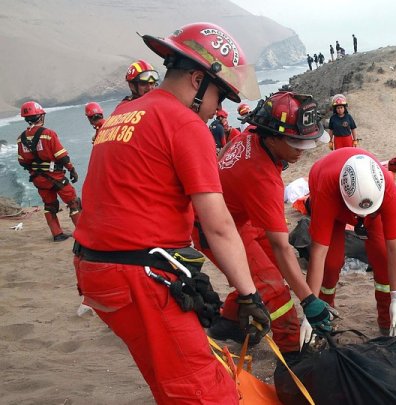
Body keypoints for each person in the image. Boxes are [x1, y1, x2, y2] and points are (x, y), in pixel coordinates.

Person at [73, 22, 270, 404]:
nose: (218, 110)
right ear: (198, 80)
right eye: (219, 96)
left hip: (95, 270)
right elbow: (219, 225)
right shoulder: (184, 124)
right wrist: (249, 295)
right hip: (136, 277)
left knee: (168, 375)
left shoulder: (123, 115)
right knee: (202, 389)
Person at [195, 91, 331, 353]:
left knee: (267, 271)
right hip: (215, 229)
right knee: (274, 290)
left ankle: (229, 322)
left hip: (238, 216)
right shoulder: (262, 177)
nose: (302, 151)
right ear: (273, 136)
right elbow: (281, 247)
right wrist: (308, 300)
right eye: (296, 144)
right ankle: (293, 354)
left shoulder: (252, 136)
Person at [306, 149, 396, 336]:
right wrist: (309, 310)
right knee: (331, 263)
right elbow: (318, 253)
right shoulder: (326, 187)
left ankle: (386, 321)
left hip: (368, 205)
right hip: (330, 195)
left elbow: (394, 248)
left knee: (383, 257)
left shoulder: (387, 188)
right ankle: (324, 314)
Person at [17, 101, 81, 242]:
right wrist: (72, 170)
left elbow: (22, 161)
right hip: (55, 176)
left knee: (50, 205)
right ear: (40, 116)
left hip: (38, 179)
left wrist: (35, 170)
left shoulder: (20, 139)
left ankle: (57, 234)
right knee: (73, 202)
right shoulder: (48, 134)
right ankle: (82, 233)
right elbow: (62, 156)